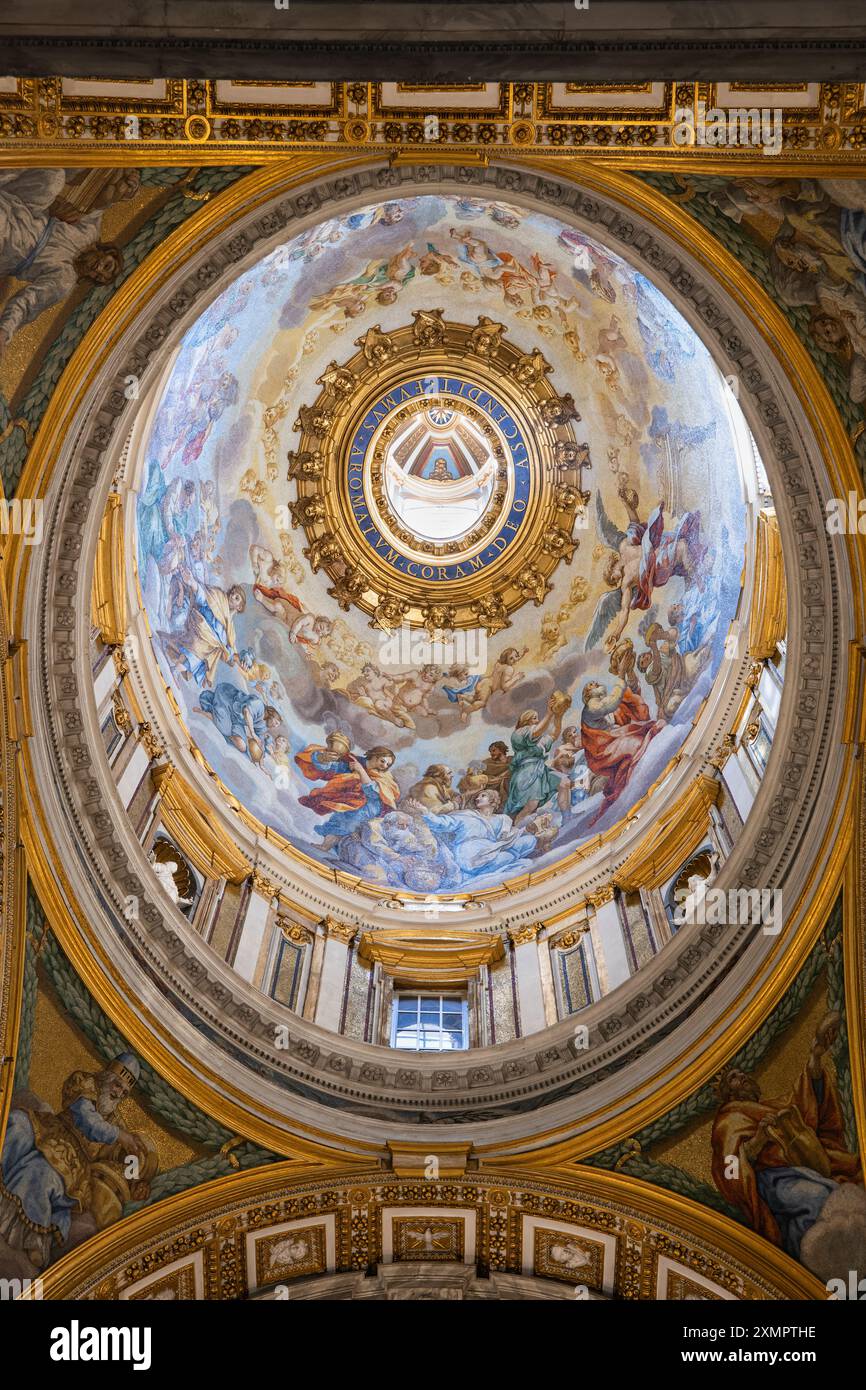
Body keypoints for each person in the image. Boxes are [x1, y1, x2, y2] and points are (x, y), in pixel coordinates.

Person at [711, 1013, 862, 1258]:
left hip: (801, 1168)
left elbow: (804, 1105)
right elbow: (729, 1168)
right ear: (729, 1093)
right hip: (770, 1179)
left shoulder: (769, 1107)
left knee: (837, 1194)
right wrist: (758, 1140)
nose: (743, 1077)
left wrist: (815, 1057)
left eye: (741, 1073)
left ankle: (811, 1250)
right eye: (735, 1078)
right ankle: (811, 1256)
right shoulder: (729, 1119)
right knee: (819, 1197)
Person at [0, 1053, 155, 1275]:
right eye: (118, 1084)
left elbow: (122, 1160)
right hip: (50, 1128)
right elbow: (86, 1118)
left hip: (72, 1160)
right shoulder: (85, 1082)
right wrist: (120, 1135)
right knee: (17, 1123)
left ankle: (28, 1237)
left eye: (124, 1092)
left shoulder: (115, 1122)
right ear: (107, 1075)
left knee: (42, 1173)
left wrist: (139, 1180)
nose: (118, 1093)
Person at [580, 678, 661, 825]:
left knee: (636, 734)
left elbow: (612, 709)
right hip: (604, 748)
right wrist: (620, 685)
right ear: (588, 693)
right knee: (634, 743)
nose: (595, 683)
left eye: (595, 682)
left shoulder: (598, 702)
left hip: (609, 738)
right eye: (590, 685)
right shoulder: (591, 705)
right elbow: (611, 704)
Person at [296, 743, 400, 851]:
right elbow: (333, 768)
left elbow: (373, 793)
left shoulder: (383, 776)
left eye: (388, 764)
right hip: (352, 798)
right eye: (383, 761)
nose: (384, 766)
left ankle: (330, 847)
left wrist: (361, 771)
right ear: (374, 755)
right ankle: (327, 846)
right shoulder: (355, 761)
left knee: (349, 821)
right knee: (339, 819)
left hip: (370, 805)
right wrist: (323, 759)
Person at [422, 789, 537, 882]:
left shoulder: (503, 819)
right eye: (477, 797)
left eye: (483, 796)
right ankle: (479, 872)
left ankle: (493, 866)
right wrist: (425, 813)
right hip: (469, 853)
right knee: (506, 857)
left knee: (529, 840)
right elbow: (444, 823)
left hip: (493, 849)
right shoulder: (466, 815)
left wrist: (516, 833)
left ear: (492, 799)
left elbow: (507, 837)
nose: (477, 798)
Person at [161, 573, 246, 688]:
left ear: (239, 607)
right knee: (194, 651)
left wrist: (236, 659)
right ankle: (175, 670)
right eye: (233, 593)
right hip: (200, 628)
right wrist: (193, 583)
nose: (232, 596)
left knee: (198, 658)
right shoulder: (218, 596)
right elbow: (203, 597)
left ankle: (175, 670)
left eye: (236, 598)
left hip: (209, 645)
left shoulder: (230, 628)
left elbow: (227, 647)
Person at [503, 695, 566, 825]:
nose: (537, 721)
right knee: (531, 805)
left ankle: (567, 816)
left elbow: (555, 734)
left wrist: (559, 716)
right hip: (527, 773)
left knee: (564, 783)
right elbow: (535, 732)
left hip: (541, 771)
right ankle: (516, 829)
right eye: (534, 718)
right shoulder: (519, 734)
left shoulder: (539, 741)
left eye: (538, 718)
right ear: (525, 720)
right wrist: (549, 714)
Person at [196, 682, 282, 765]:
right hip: (228, 701)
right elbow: (246, 711)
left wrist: (261, 761)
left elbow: (260, 741)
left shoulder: (264, 725)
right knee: (225, 730)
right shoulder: (259, 705)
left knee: (243, 747)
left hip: (237, 721)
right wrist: (252, 733)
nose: (274, 726)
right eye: (276, 722)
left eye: (276, 725)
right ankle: (210, 707)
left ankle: (224, 726)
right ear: (272, 714)